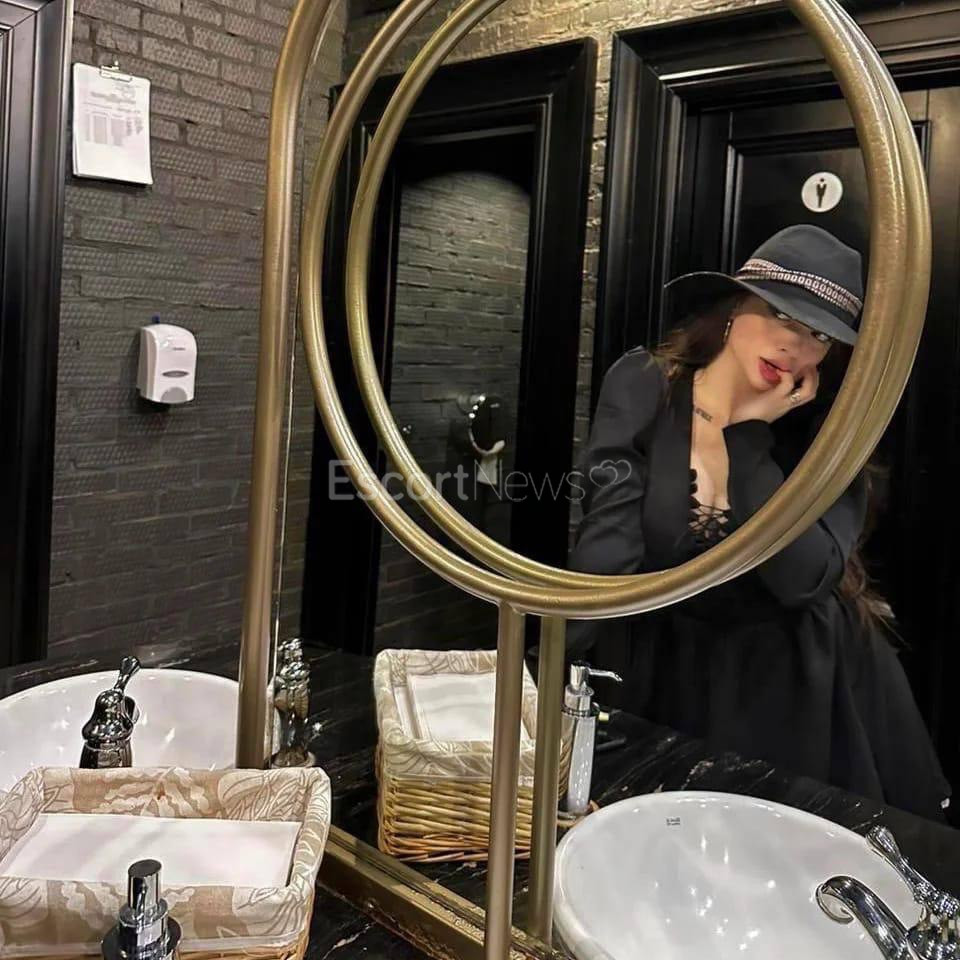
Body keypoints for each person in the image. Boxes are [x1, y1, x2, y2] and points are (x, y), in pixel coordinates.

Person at [567, 224, 950, 819]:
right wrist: (554, 673)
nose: (794, 346)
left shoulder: (834, 432)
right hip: (666, 672)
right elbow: (606, 548)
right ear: (733, 308)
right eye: (781, 314)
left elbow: (801, 580)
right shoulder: (645, 384)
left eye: (819, 334)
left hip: (793, 687)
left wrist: (747, 441)